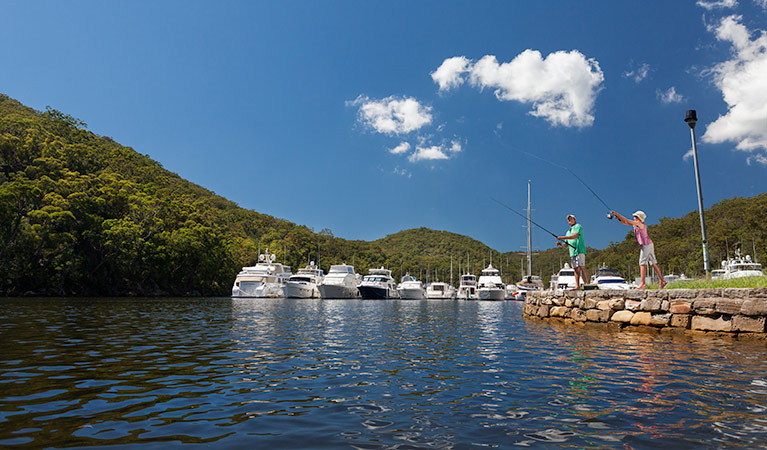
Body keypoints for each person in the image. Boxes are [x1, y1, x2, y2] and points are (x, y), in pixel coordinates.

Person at [610, 210, 667, 290]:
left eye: (635, 216)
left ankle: (642, 283)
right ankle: (662, 281)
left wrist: (617, 214)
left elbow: (626, 220)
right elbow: (625, 223)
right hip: (649, 244)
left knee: (642, 263)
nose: (633, 217)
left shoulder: (640, 224)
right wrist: (618, 219)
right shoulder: (636, 224)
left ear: (638, 218)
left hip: (646, 245)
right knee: (654, 263)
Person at [557, 214, 588, 290]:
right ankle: (577, 286)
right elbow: (566, 245)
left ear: (574, 220)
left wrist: (562, 237)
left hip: (579, 250)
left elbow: (575, 236)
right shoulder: (568, 232)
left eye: (571, 219)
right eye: (569, 219)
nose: (570, 220)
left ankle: (587, 284)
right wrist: (560, 244)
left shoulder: (578, 226)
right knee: (575, 269)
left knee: (581, 267)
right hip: (572, 252)